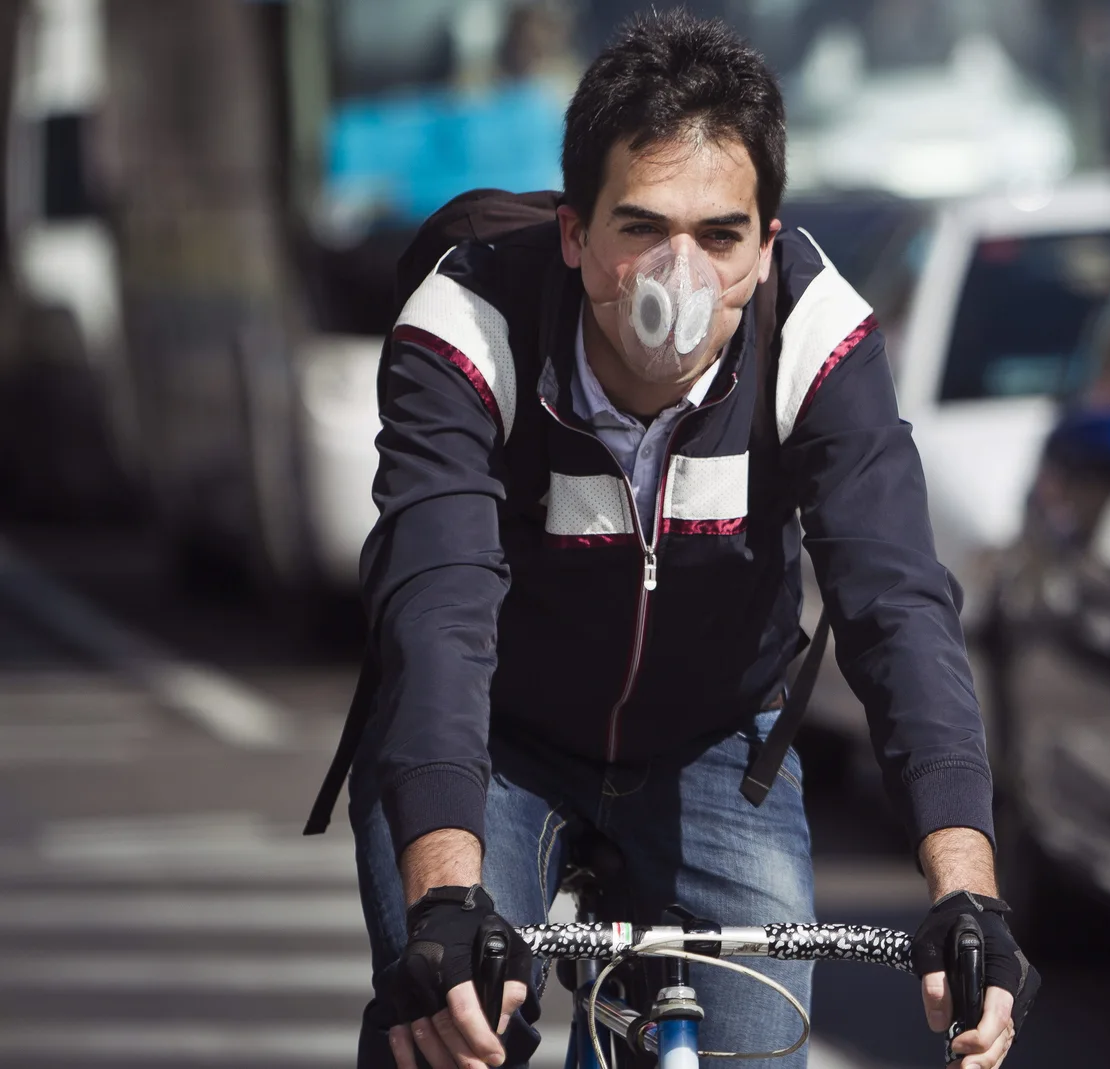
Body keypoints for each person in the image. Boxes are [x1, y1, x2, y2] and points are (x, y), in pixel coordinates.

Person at [307, 11, 1036, 1068]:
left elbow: (898, 603)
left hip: (714, 741)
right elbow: (435, 603)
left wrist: (967, 890)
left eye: (719, 235)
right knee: (454, 1029)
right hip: (493, 738)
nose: (678, 276)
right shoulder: (467, 323)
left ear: (768, 245)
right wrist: (447, 896)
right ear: (574, 232)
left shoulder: (816, 335)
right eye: (641, 227)